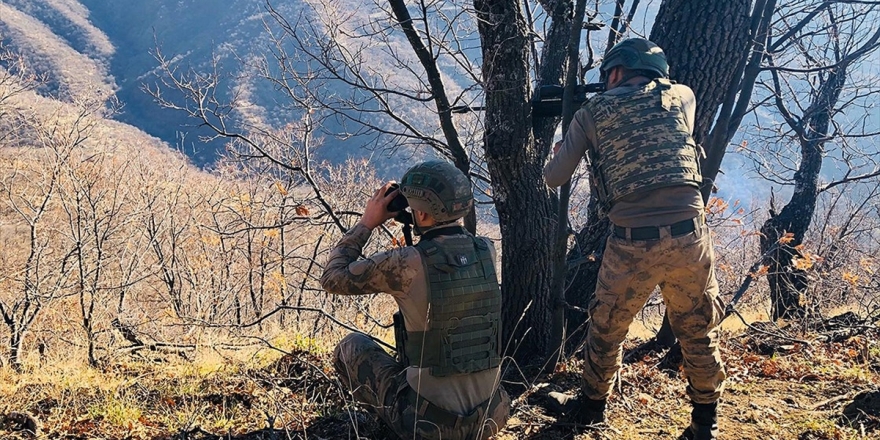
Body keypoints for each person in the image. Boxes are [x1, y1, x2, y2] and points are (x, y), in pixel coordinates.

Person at [543, 38, 726, 440]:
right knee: (697, 327)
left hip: (631, 241)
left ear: (617, 71)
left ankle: (592, 407)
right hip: (689, 235)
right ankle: (705, 421)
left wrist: (564, 142)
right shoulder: (682, 96)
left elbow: (554, 177)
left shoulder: (592, 113)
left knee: (607, 325)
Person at [321, 160, 510, 440]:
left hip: (429, 425)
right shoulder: (486, 251)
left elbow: (332, 278)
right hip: (492, 416)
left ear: (420, 214)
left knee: (351, 346)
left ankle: (386, 426)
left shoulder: (407, 263)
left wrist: (367, 223)